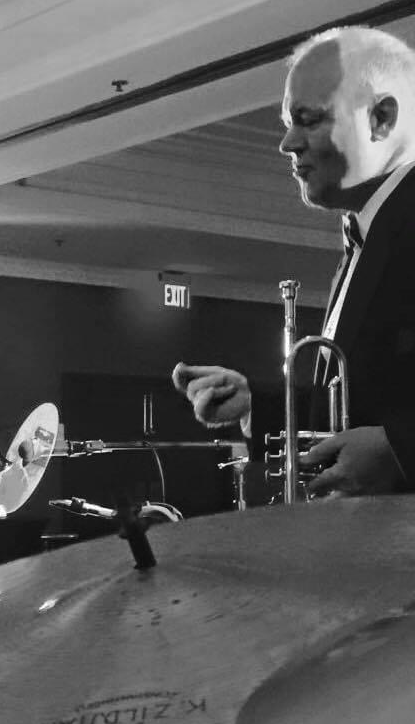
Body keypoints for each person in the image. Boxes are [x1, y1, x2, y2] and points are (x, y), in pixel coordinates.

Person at [173, 26, 415, 498]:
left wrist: (400, 452)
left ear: (382, 118)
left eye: (307, 119)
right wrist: (255, 406)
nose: (287, 142)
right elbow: (363, 406)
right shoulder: (371, 229)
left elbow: (386, 433)